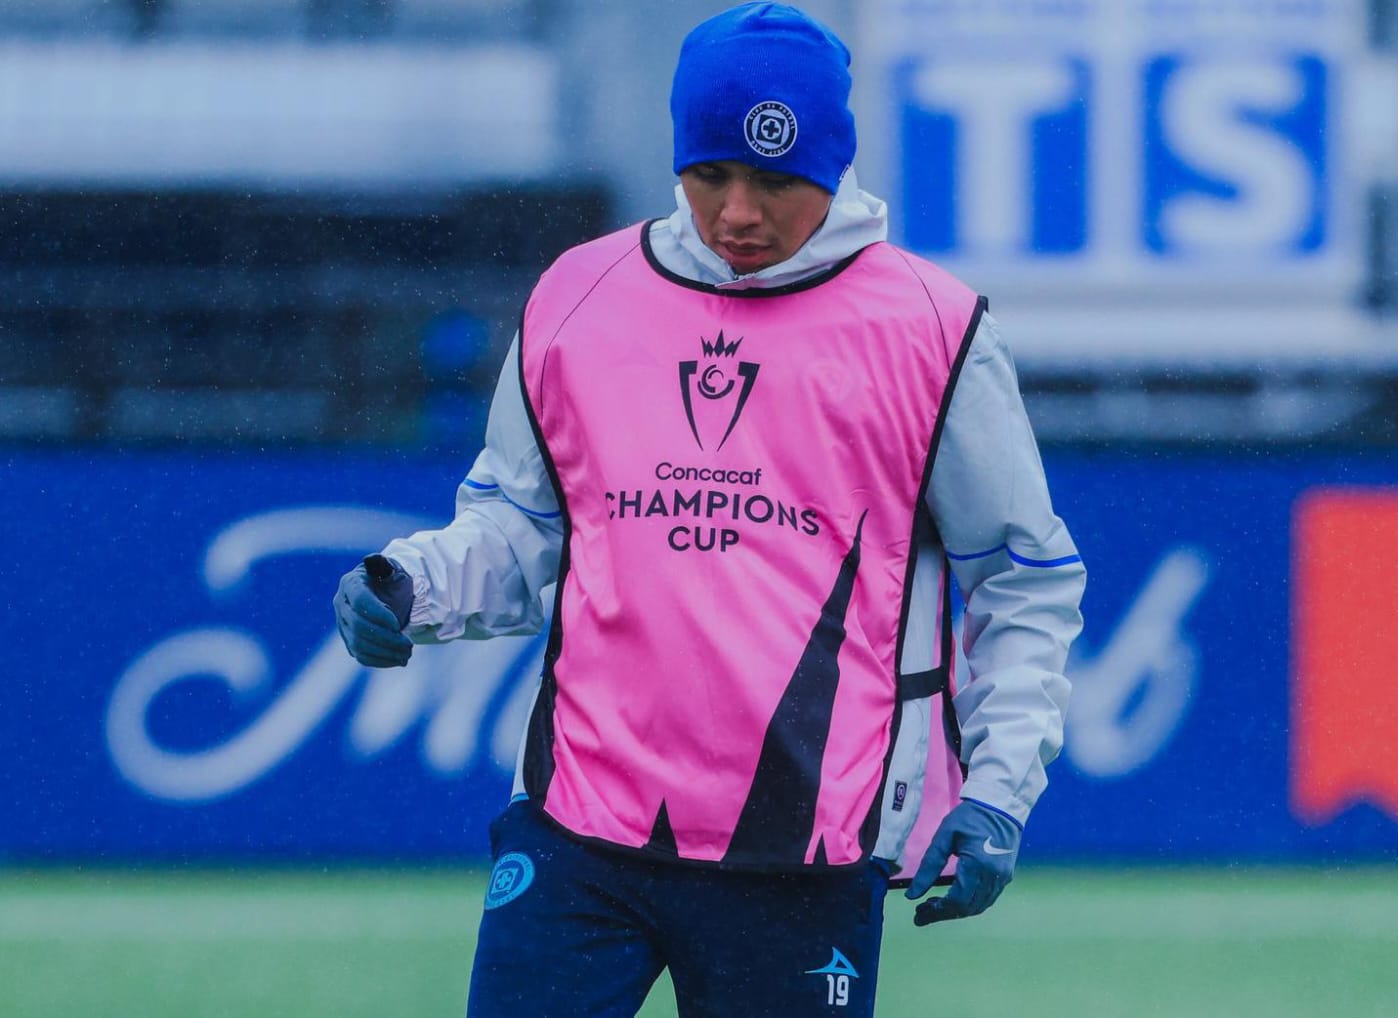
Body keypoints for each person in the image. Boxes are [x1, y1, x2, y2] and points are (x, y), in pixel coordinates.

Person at [333, 3, 1086, 1015]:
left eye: (776, 181)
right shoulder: (577, 295)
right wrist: (412, 582)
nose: (737, 211)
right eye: (709, 173)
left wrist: (998, 791)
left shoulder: (932, 331)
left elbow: (1023, 574)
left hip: (804, 853)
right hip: (578, 827)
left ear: (835, 165)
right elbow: (522, 525)